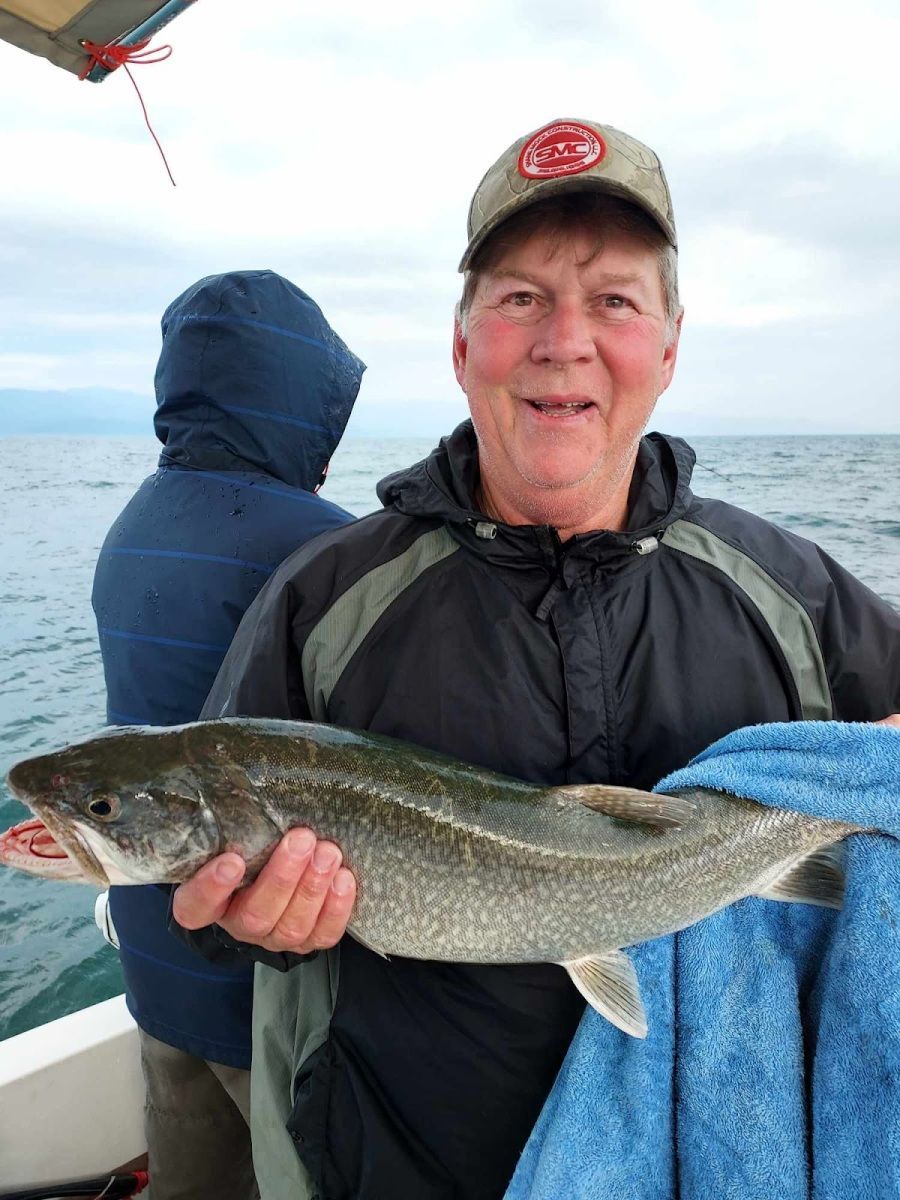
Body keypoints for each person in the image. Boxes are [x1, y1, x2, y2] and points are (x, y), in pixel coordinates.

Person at [170, 121, 900, 1200]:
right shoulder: (322, 602)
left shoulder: (793, 592)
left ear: (669, 347)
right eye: (520, 298)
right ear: (461, 344)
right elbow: (218, 907)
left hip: (720, 1157)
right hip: (404, 1165)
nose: (564, 340)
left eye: (614, 301)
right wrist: (252, 924)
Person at [91, 269, 364, 1199]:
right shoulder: (323, 545)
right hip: (262, 962)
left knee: (188, 1171)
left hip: (151, 943)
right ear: (304, 399)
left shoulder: (132, 523)